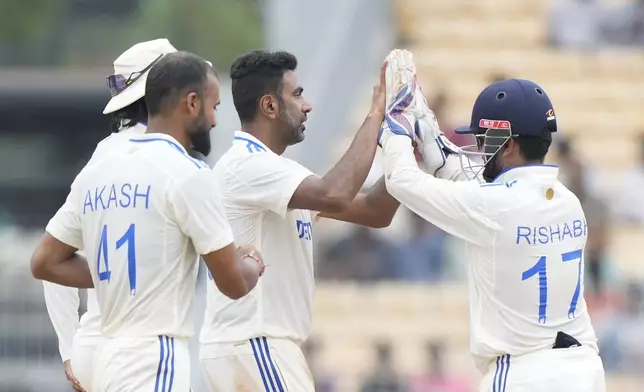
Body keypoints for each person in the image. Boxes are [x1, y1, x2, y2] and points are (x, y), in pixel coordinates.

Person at [31, 51, 265, 392]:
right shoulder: (188, 173)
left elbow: (44, 262)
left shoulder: (97, 169)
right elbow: (232, 283)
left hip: (103, 354)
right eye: (214, 107)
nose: (215, 121)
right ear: (191, 103)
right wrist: (252, 262)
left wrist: (122, 281)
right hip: (155, 358)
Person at [379, 49, 605, 392]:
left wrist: (396, 122)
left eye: (485, 141)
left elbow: (401, 180)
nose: (481, 149)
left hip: (524, 375)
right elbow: (478, 185)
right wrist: (427, 128)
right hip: (584, 371)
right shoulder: (567, 201)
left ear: (509, 145)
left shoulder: (492, 207)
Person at [198, 49, 400, 391]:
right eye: (296, 94)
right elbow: (335, 193)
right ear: (269, 107)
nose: (307, 105)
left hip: (256, 344)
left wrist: (409, 152)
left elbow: (374, 212)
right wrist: (376, 114)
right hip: (255, 341)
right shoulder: (248, 165)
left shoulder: (278, 171)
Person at [41, 37, 178, 392]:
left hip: (94, 346)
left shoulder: (101, 159)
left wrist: (70, 349)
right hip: (144, 356)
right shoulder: (169, 161)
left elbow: (49, 261)